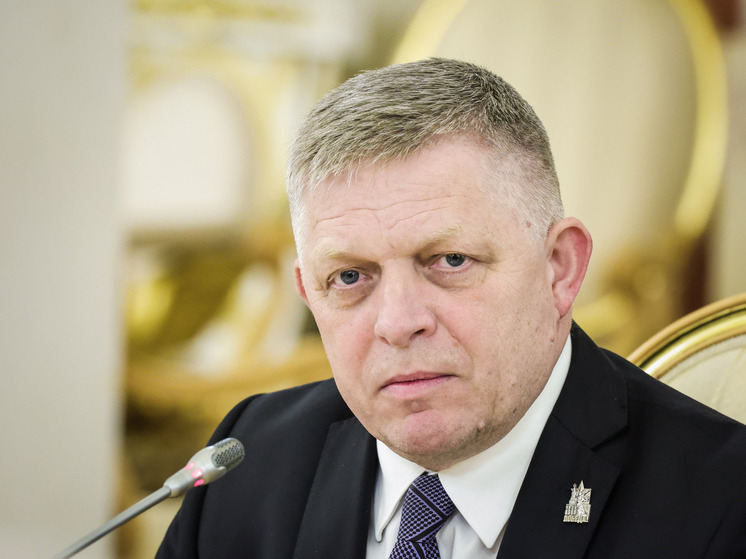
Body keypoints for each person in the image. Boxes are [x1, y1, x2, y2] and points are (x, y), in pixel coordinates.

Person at [157, 58, 746, 558]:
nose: (398, 323)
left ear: (559, 267)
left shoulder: (722, 500)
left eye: (450, 261)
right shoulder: (247, 460)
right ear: (309, 293)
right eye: (350, 277)